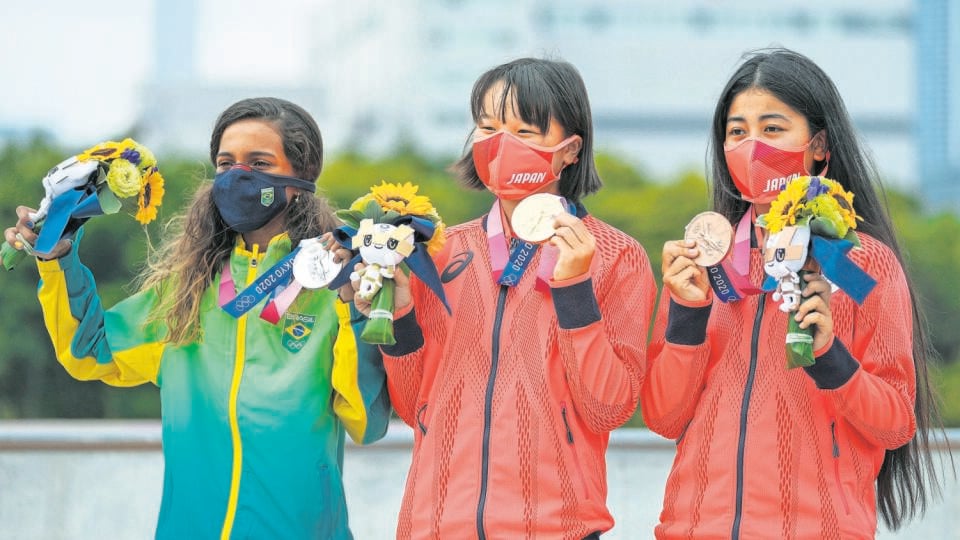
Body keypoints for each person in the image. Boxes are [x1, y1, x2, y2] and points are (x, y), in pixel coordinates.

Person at [4, 97, 391, 539]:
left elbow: (367, 420)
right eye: (225, 164)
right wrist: (59, 258)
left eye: (258, 162)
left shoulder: (337, 287)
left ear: (298, 178)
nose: (237, 175)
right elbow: (91, 350)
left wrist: (353, 311)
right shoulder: (187, 290)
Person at [641, 48, 945, 539]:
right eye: (737, 132)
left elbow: (894, 424)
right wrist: (686, 315)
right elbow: (664, 417)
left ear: (819, 145)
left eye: (773, 129)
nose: (752, 146)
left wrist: (830, 357)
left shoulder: (855, 264)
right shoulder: (705, 262)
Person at [357, 57, 656, 539]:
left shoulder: (616, 256)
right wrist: (402, 314)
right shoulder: (439, 250)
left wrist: (574, 289)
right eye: (488, 127)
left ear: (570, 149)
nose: (501, 144)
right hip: (435, 525)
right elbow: (416, 407)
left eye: (525, 130)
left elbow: (609, 408)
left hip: (557, 528)